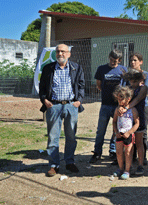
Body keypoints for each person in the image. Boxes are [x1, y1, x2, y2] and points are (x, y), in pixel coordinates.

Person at [39, 44, 85, 177]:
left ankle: (70, 162)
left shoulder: (76, 67)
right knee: (53, 137)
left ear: (69, 54)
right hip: (54, 106)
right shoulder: (48, 68)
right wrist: (44, 100)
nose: (60, 54)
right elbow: (42, 87)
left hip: (71, 106)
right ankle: (54, 165)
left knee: (71, 136)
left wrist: (79, 101)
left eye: (63, 52)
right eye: (58, 51)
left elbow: (82, 85)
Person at [89, 49, 128, 164]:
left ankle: (113, 151)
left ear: (119, 60)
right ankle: (97, 153)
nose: (112, 62)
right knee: (101, 130)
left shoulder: (123, 70)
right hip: (105, 105)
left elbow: (126, 86)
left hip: (117, 105)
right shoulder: (101, 69)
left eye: (115, 61)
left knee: (116, 130)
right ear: (109, 58)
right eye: (111, 60)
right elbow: (99, 85)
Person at [115, 70, 147, 175]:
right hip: (126, 118)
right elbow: (121, 98)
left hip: (138, 116)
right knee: (127, 143)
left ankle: (141, 165)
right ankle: (127, 166)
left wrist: (125, 108)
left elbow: (137, 100)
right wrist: (120, 107)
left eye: (134, 81)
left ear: (140, 80)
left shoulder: (143, 88)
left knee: (139, 142)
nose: (132, 84)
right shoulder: (128, 89)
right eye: (131, 81)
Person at [112, 86, 140, 180]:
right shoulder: (117, 110)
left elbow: (137, 123)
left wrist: (129, 132)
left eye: (121, 98)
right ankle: (120, 169)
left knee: (128, 153)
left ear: (128, 99)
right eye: (118, 98)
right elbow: (114, 121)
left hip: (128, 135)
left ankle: (127, 170)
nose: (119, 101)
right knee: (119, 153)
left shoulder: (133, 110)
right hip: (119, 135)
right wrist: (116, 132)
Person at [129, 53, 148, 165]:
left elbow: (143, 92)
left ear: (141, 62)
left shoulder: (146, 74)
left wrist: (130, 104)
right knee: (131, 131)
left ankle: (143, 157)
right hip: (130, 109)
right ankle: (131, 157)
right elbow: (124, 90)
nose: (133, 62)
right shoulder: (128, 75)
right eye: (131, 60)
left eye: (135, 60)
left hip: (142, 108)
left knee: (142, 133)